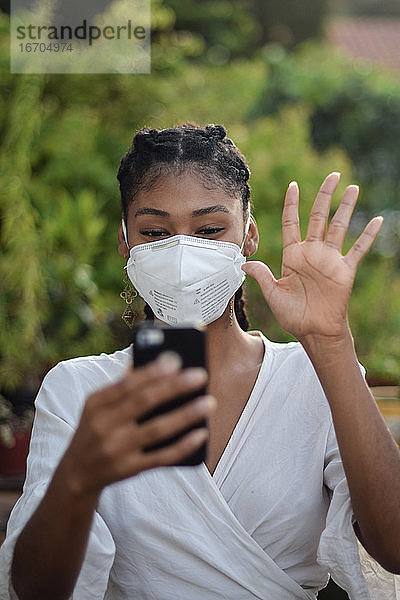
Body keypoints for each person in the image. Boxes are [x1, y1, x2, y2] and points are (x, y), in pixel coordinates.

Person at [1, 123, 400, 600]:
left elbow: (394, 550)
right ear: (125, 242)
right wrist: (78, 479)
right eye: (155, 232)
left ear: (248, 236)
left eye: (210, 229)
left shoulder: (313, 378)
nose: (184, 252)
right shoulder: (79, 390)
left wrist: (331, 344)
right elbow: (33, 589)